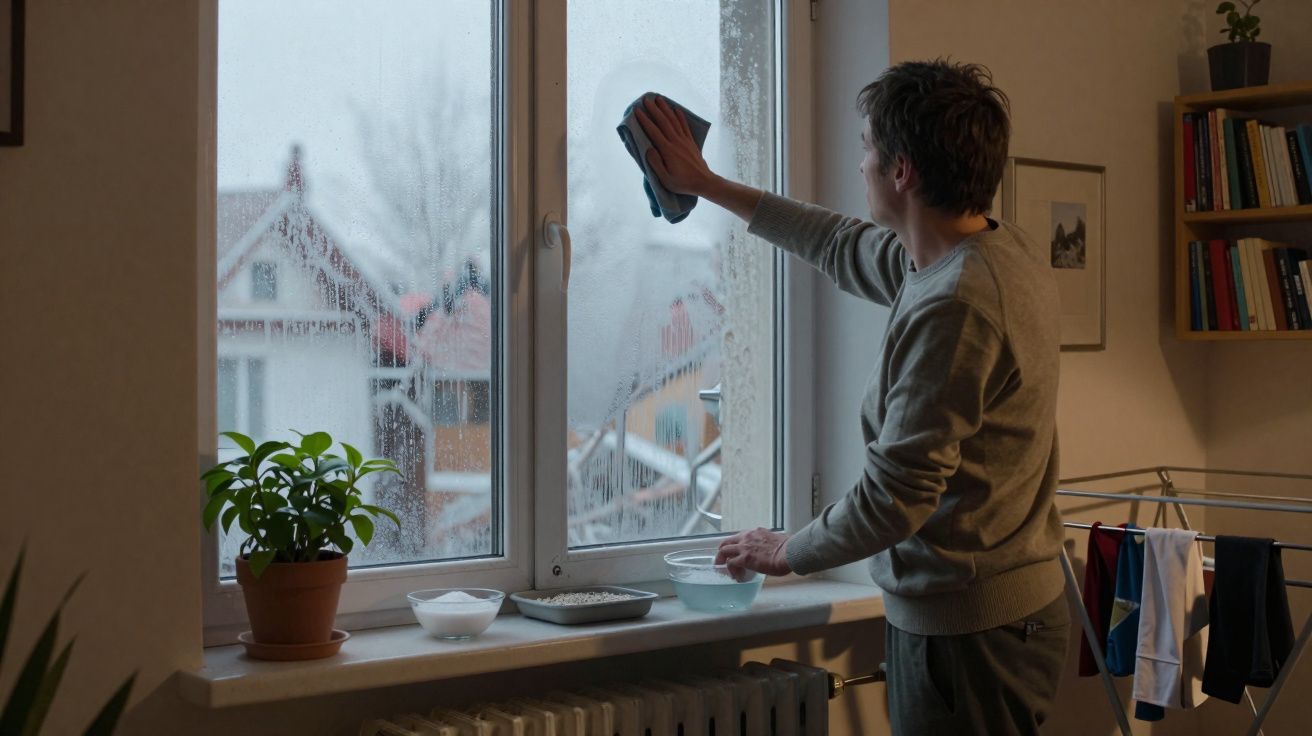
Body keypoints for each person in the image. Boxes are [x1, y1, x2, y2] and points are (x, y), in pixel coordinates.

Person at [636, 60, 1068, 736]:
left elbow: (898, 495)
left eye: (866, 147)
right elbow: (839, 244)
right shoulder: (977, 252)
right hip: (978, 620)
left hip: (974, 635)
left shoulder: (960, 303)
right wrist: (707, 184)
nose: (858, 163)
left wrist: (787, 550)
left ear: (902, 172)